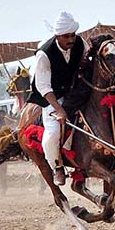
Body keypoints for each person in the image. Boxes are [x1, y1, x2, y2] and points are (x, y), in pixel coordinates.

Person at [28, 11, 89, 185]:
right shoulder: (44, 55)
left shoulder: (80, 43)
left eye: (73, 35)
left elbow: (86, 62)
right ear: (57, 36)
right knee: (53, 133)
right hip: (53, 97)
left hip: (76, 91)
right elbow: (43, 87)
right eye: (66, 37)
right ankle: (57, 166)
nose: (71, 40)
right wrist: (60, 110)